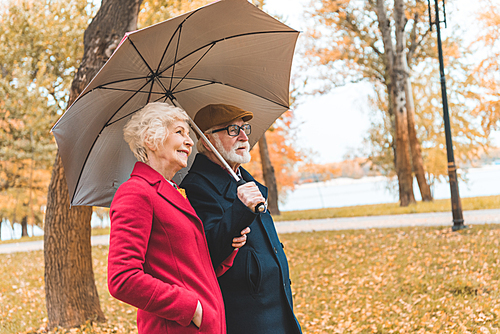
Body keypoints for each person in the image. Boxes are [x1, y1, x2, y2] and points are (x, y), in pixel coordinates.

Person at [107, 102, 249, 334]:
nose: (190, 141)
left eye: (188, 133)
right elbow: (122, 278)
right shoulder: (136, 193)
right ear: (151, 139)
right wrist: (192, 308)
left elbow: (191, 269)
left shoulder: (172, 193)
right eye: (179, 132)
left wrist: (229, 247)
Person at [180, 104, 303, 333]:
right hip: (248, 315)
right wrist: (240, 208)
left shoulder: (244, 179)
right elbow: (209, 251)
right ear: (207, 142)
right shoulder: (197, 187)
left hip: (278, 306)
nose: (244, 136)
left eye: (244, 128)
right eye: (232, 130)